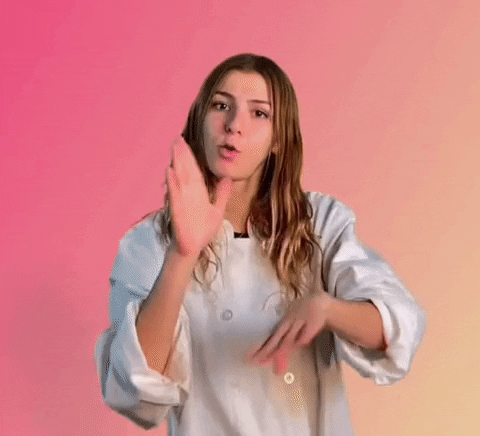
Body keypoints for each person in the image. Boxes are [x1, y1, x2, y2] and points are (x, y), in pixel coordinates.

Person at [94, 53, 426, 435]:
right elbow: (137, 390)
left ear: (278, 140)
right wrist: (182, 255)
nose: (234, 126)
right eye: (221, 106)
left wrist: (327, 309)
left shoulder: (320, 223)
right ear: (200, 120)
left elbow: (397, 327)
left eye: (259, 113)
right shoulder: (148, 243)